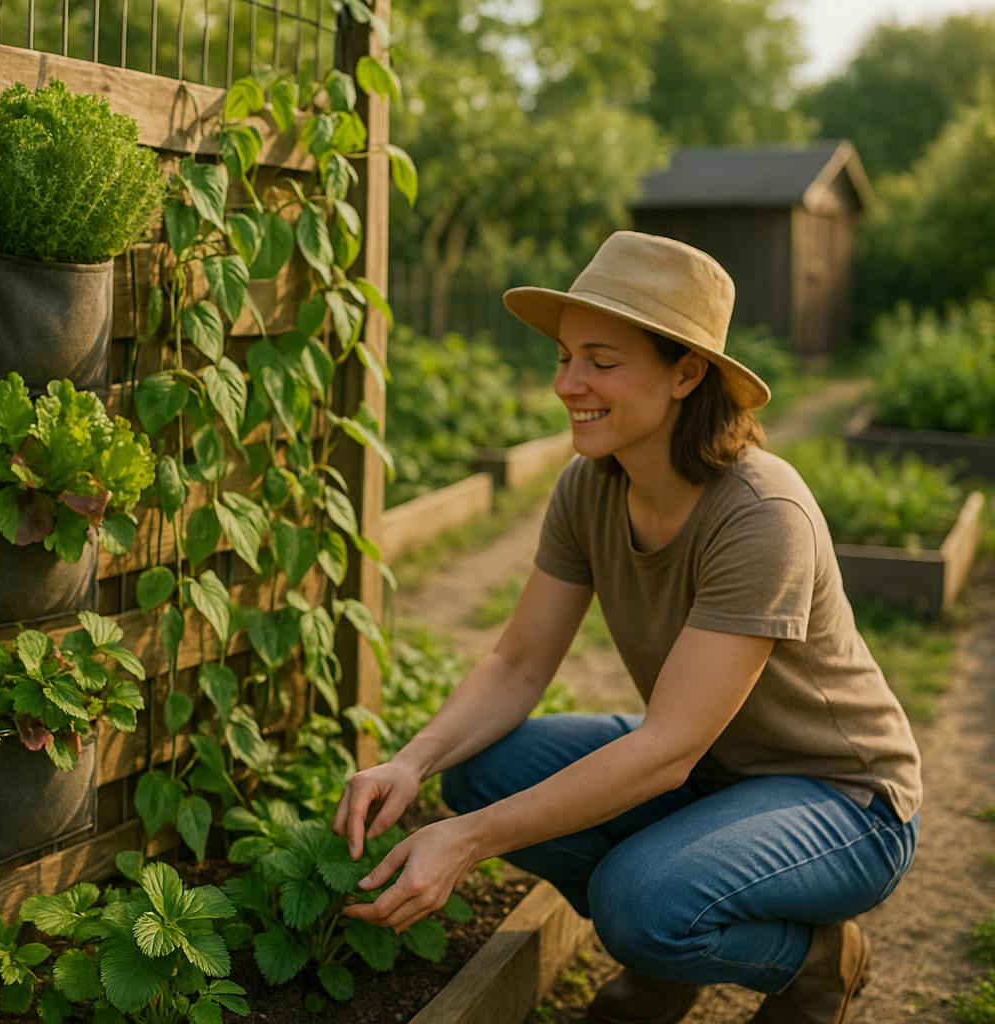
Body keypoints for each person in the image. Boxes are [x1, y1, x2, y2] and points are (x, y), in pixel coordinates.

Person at [333, 231, 921, 1024]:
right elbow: (515, 662)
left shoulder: (761, 515)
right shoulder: (589, 487)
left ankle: (815, 958)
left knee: (637, 902)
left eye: (601, 362)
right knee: (482, 771)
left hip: (843, 801)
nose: (568, 383)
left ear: (687, 372)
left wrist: (468, 842)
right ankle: (674, 956)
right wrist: (412, 761)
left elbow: (665, 750)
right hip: (713, 769)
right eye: (566, 357)